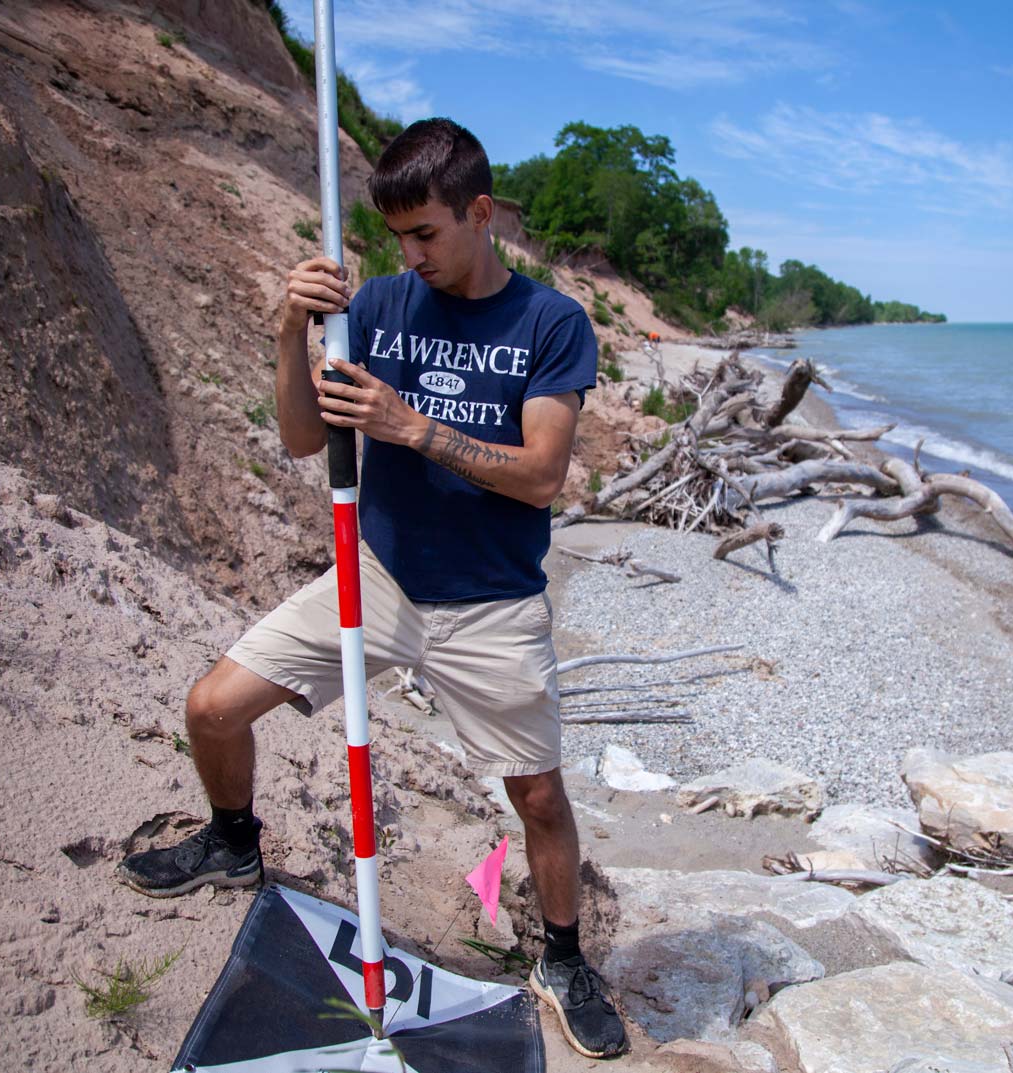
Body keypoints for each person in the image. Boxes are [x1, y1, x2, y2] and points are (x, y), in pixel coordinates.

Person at [114, 118, 629, 1060]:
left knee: (541, 798)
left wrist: (412, 424)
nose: (410, 255)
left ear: (479, 214)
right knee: (213, 707)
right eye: (397, 237)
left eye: (427, 232)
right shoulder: (381, 306)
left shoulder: (550, 323)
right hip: (376, 574)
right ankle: (233, 843)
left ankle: (562, 958)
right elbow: (306, 441)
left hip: (492, 602)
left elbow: (543, 474)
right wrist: (288, 332)